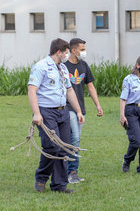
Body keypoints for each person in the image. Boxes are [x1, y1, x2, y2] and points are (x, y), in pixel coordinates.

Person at [28, 38, 84, 193]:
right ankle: (41, 178)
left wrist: (78, 111)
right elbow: (32, 90)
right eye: (66, 53)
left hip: (63, 111)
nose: (67, 55)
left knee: (64, 148)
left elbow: (70, 90)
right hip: (46, 112)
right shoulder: (41, 67)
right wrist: (37, 114)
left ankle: (59, 185)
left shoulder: (63, 69)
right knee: (52, 147)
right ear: (59, 52)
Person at [64, 38, 103, 184]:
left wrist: (97, 105)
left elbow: (90, 87)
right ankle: (71, 172)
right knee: (75, 138)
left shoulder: (84, 65)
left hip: (81, 108)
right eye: (81, 49)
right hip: (68, 108)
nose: (84, 52)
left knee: (74, 139)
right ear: (73, 50)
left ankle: (69, 170)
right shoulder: (63, 66)